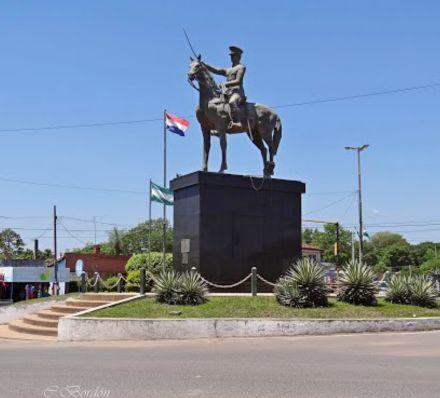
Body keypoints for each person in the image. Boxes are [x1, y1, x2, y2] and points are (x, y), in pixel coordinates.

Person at [202, 46, 246, 129]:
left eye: (234, 56)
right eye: (231, 56)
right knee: (217, 103)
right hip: (227, 93)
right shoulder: (229, 69)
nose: (232, 58)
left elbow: (238, 81)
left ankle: (238, 122)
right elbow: (217, 70)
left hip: (237, 92)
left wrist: (225, 84)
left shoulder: (241, 67)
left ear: (238, 56)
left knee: (232, 102)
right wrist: (205, 65)